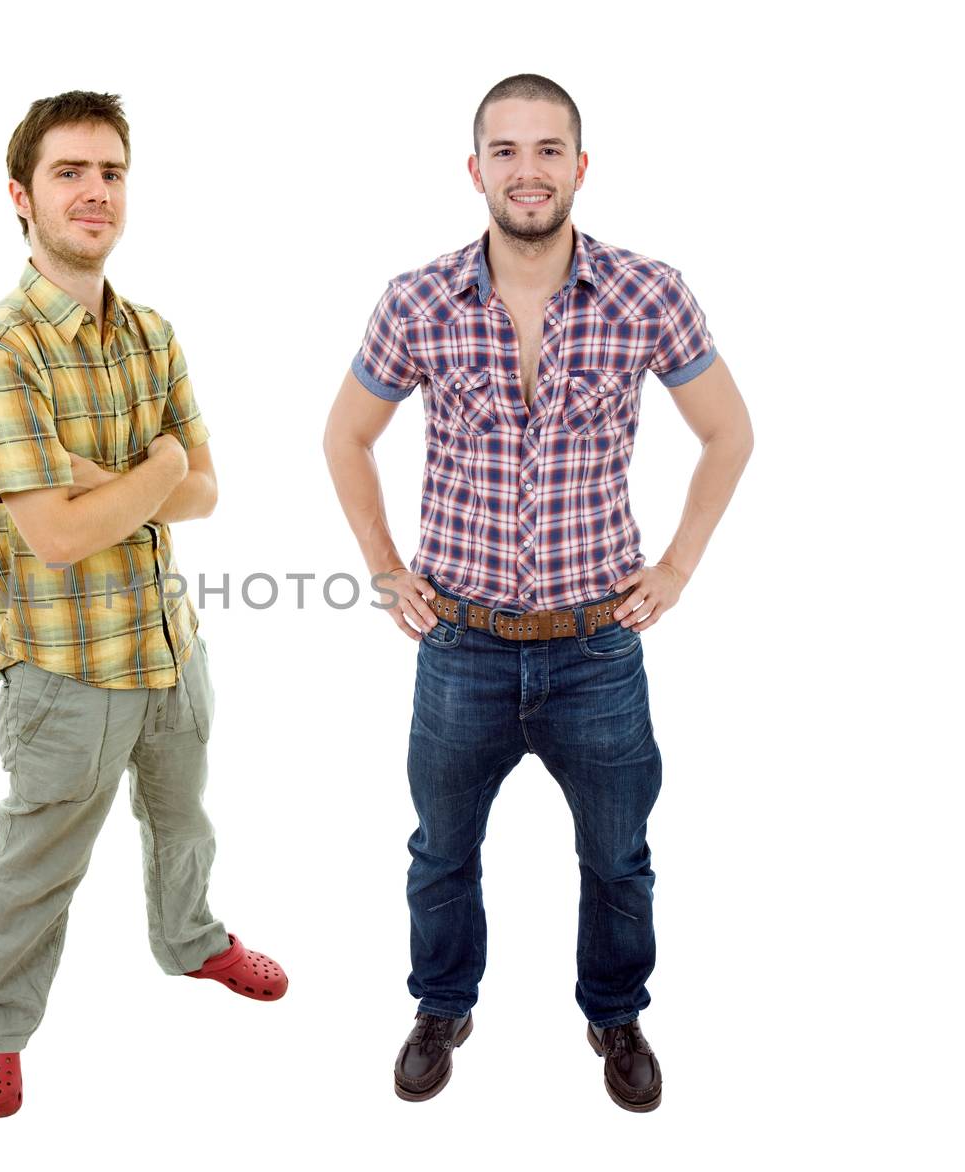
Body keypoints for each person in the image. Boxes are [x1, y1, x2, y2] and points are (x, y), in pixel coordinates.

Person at [323, 73, 753, 1112]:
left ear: (579, 166)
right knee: (439, 851)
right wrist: (385, 566)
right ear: (475, 170)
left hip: (596, 646)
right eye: (505, 151)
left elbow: (727, 432)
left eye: (547, 149)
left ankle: (615, 1012)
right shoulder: (416, 298)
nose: (527, 170)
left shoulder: (647, 291)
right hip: (460, 643)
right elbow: (346, 435)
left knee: (617, 856)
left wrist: (678, 566)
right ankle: (441, 1003)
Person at [0, 90, 288, 1119]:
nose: (95, 192)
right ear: (21, 195)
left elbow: (208, 490)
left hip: (168, 647)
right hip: (64, 672)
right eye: (69, 173)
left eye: (111, 173)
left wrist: (105, 481)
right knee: (36, 863)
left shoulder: (152, 332)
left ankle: (188, 940)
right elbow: (51, 535)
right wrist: (155, 466)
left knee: (183, 822)